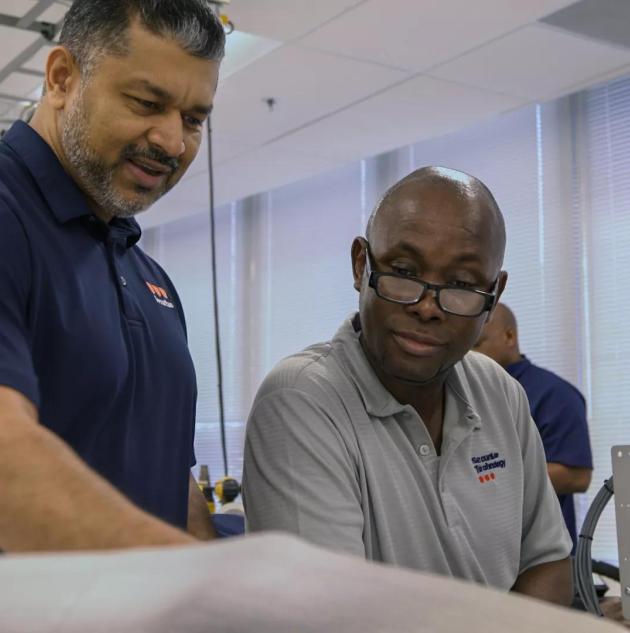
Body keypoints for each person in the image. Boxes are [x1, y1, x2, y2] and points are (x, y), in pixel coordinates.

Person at [243, 166, 573, 605]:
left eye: (460, 284)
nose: (427, 307)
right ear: (361, 265)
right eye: (403, 269)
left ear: (494, 295)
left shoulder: (500, 393)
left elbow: (547, 563)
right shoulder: (302, 400)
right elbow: (330, 615)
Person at [0, 0, 224, 551]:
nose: (173, 143)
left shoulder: (153, 281)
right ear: (61, 78)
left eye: (194, 120)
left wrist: (205, 576)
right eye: (148, 103)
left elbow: (169, 473)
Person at [473, 303, 593, 550]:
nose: (469, 355)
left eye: (477, 344)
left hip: (535, 550)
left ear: (510, 336)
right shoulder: (457, 390)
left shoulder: (554, 394)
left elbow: (575, 475)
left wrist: (484, 479)